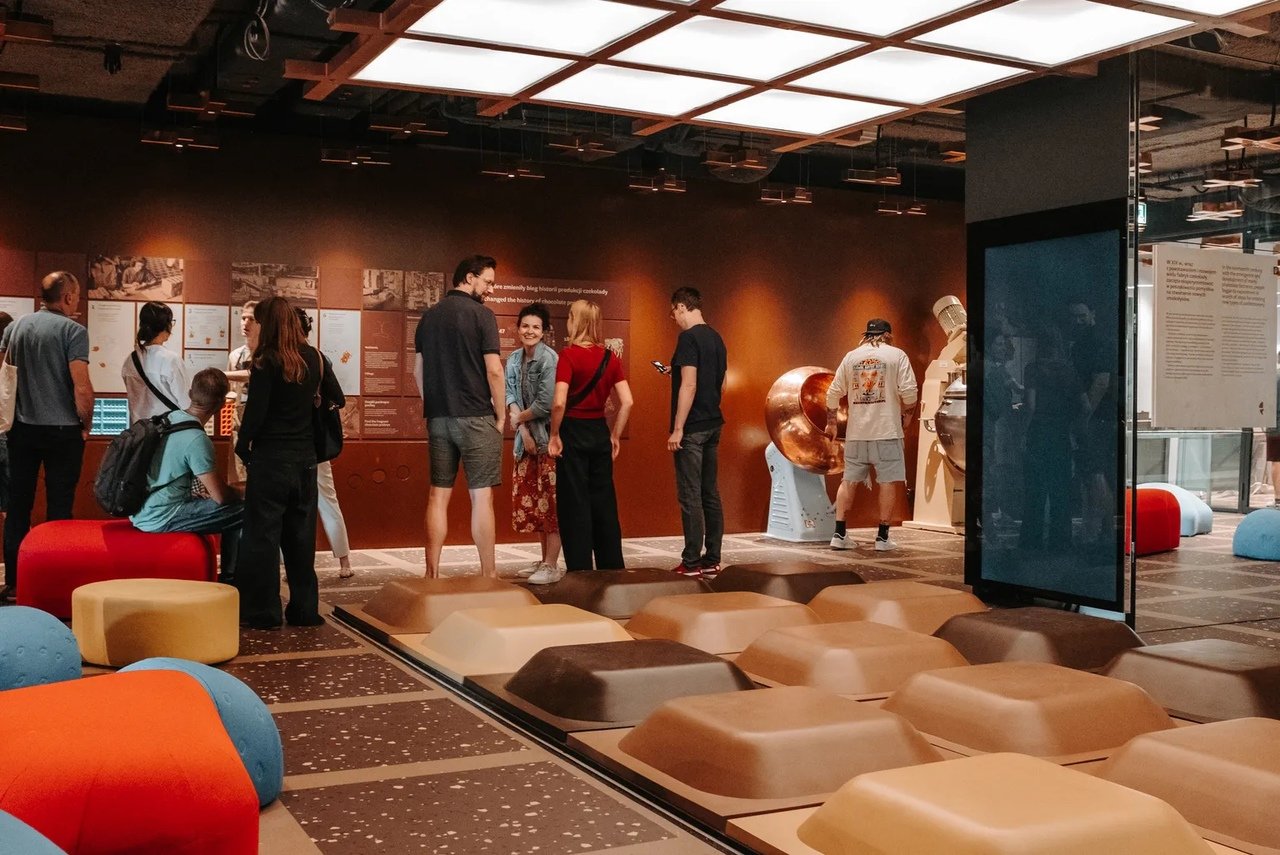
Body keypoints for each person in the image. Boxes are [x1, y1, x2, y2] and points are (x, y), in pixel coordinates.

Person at [0, 272, 94, 602]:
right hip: (62, 432)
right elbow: (81, 385)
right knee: (59, 508)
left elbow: (5, 378)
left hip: (21, 431)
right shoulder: (73, 331)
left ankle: (15, 583)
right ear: (68, 297)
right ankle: (54, 583)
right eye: (77, 295)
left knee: (18, 507)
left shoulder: (15, 329)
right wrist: (85, 424)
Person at [413, 254, 504, 579]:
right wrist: (501, 415)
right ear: (469, 277)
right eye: (488, 282)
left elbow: (418, 370)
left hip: (439, 418)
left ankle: (432, 573)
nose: (491, 289)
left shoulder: (429, 317)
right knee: (481, 498)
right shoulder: (482, 315)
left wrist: (433, 404)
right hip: (476, 416)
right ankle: (488, 574)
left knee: (438, 495)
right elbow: (494, 371)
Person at [234, 297, 323, 630]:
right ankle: (305, 610)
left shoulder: (266, 360)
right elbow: (336, 397)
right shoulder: (314, 357)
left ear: (268, 323)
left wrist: (243, 446)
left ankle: (263, 611)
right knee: (301, 538)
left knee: (263, 537)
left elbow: (256, 413)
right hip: (305, 460)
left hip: (271, 460)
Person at [130, 368, 244, 579]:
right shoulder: (197, 439)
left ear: (190, 393)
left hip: (141, 510)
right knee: (246, 509)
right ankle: (232, 577)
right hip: (162, 516)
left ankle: (230, 573)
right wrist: (243, 491)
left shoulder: (168, 419)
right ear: (221, 404)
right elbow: (221, 497)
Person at [548, 299, 633, 572]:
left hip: (572, 432)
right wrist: (615, 435)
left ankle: (580, 569)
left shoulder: (568, 356)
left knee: (574, 504)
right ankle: (611, 569)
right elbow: (627, 401)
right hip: (599, 432)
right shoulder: (610, 358)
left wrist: (554, 434)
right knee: (604, 502)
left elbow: (559, 402)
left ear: (576, 321)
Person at [825, 318, 917, 552]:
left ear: (866, 335)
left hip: (856, 433)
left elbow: (833, 392)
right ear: (888, 335)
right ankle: (882, 538)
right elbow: (910, 393)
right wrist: (907, 416)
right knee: (887, 482)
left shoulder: (851, 357)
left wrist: (831, 423)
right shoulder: (897, 355)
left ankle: (839, 534)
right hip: (887, 431)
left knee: (849, 480)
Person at [665, 287, 727, 580]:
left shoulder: (688, 338)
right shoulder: (716, 337)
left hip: (692, 428)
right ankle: (712, 559)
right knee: (710, 494)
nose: (674, 319)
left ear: (681, 307)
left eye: (673, 313)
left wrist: (678, 428)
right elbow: (720, 382)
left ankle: (690, 562)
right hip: (713, 422)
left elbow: (689, 385)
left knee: (690, 495)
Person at [294, 307, 354, 578]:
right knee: (328, 501)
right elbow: (338, 398)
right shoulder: (318, 358)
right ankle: (344, 562)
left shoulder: (281, 360)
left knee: (292, 506)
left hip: (290, 445)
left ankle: (293, 564)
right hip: (315, 443)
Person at [505, 303, 561, 584]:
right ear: (518, 329)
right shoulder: (514, 358)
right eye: (525, 326)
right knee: (536, 504)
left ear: (544, 331)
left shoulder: (550, 359)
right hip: (525, 440)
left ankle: (552, 564)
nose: (530, 331)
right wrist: (523, 431)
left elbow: (545, 403)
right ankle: (543, 561)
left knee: (551, 503)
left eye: (536, 327)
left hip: (549, 440)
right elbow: (510, 394)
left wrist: (518, 419)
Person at [122, 301, 190, 422]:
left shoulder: (130, 360)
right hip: (168, 428)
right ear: (165, 326)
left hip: (140, 429)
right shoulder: (171, 360)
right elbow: (186, 402)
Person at [226, 301, 258, 485]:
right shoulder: (235, 356)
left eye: (251, 319)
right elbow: (231, 391)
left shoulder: (269, 356)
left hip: (261, 427)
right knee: (240, 477)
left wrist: (223, 374)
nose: (246, 323)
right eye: (243, 318)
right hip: (238, 423)